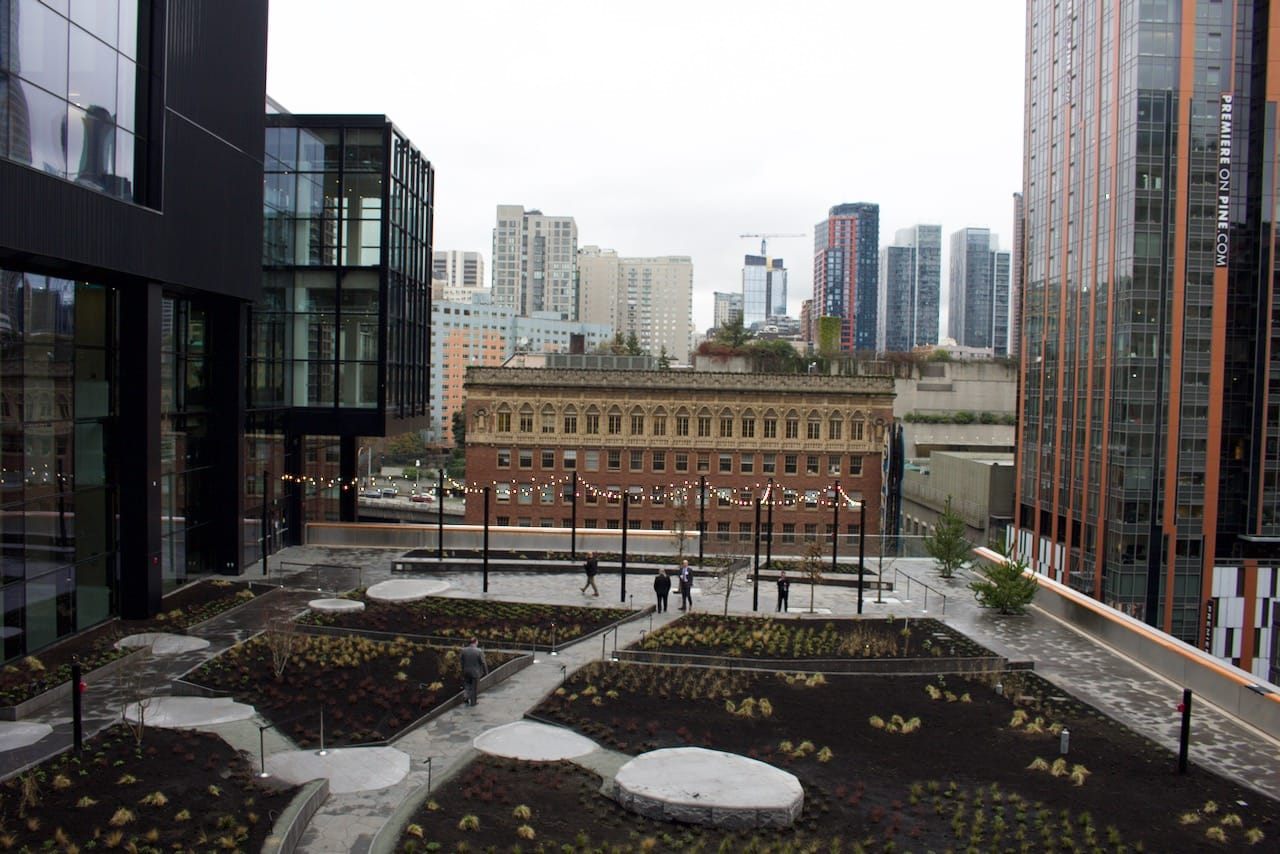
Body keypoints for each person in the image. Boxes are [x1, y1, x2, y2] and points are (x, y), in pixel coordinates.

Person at [460, 637, 488, 706]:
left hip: (466, 671)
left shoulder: (464, 650)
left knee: (467, 685)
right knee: (474, 688)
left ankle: (465, 697)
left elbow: (462, 661)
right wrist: (486, 672)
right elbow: (483, 662)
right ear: (475, 642)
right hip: (475, 672)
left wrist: (463, 669)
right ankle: (473, 702)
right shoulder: (479, 651)